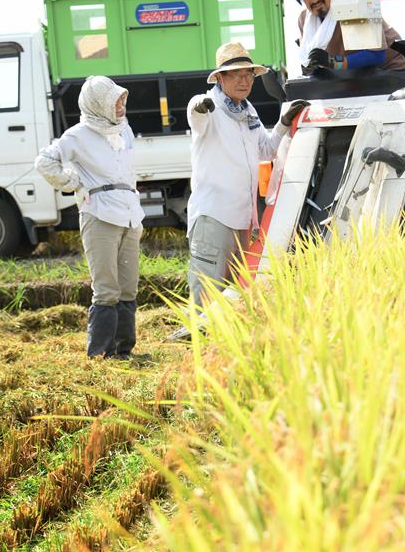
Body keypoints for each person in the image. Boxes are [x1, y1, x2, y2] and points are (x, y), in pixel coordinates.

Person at [167, 41, 307, 340]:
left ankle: (227, 361)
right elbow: (196, 113)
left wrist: (283, 123)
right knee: (207, 295)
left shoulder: (247, 110)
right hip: (214, 216)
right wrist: (199, 106)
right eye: (235, 74)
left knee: (235, 296)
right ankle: (198, 371)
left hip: (244, 218)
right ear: (219, 78)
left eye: (248, 74)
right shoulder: (209, 106)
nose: (244, 80)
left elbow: (266, 150)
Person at [35, 76, 146, 360]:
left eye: (122, 99)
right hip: (100, 213)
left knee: (128, 286)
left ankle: (123, 351)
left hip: (130, 214)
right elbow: (45, 162)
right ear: (99, 104)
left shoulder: (125, 131)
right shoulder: (78, 135)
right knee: (107, 287)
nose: (121, 105)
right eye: (115, 101)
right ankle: (99, 354)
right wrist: (72, 182)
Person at [292, 0, 405, 76]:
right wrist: (310, 68)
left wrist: (333, 62)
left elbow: (377, 55)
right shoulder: (304, 19)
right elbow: (309, 60)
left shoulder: (352, 3)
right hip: (351, 77)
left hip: (390, 71)